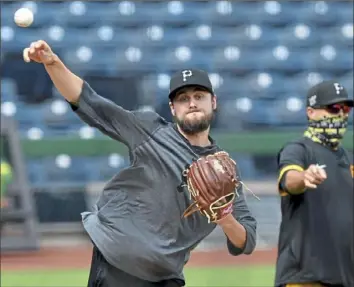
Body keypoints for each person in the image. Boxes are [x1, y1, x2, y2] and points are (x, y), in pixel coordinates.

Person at [22, 40, 257, 287]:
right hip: (118, 260)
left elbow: (246, 241)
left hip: (165, 275)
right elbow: (90, 102)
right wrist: (53, 62)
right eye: (183, 98)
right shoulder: (150, 129)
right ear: (173, 108)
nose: (192, 103)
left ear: (214, 102)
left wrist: (224, 217)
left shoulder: (224, 171)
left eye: (199, 96)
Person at [275, 80, 354, 287]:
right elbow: (289, 179)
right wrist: (304, 177)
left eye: (346, 108)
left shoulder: (349, 159)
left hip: (344, 276)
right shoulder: (298, 149)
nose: (341, 114)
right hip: (305, 277)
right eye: (333, 108)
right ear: (311, 112)